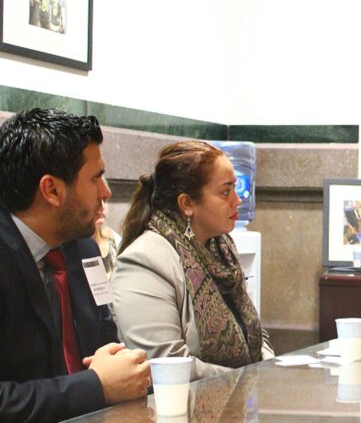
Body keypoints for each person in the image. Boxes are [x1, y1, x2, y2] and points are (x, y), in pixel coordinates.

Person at [0, 108, 150, 422]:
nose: (106, 192)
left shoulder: (82, 248)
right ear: (52, 190)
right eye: (96, 178)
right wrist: (95, 387)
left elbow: (106, 344)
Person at [111, 141, 273, 381]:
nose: (238, 200)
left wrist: (270, 370)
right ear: (187, 204)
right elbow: (166, 364)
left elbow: (253, 333)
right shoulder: (144, 261)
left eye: (235, 188)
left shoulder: (221, 249)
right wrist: (247, 379)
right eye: (225, 192)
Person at [92, 180, 122, 279]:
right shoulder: (69, 247)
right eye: (96, 199)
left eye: (104, 200)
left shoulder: (116, 241)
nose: (102, 206)